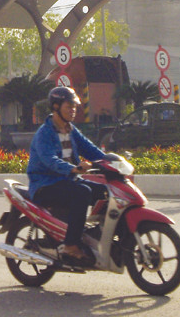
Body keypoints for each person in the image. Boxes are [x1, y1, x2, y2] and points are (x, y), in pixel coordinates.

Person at [27, 86, 107, 265]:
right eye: (69, 106)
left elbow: (90, 148)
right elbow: (50, 160)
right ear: (56, 107)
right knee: (82, 192)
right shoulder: (44, 133)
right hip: (45, 185)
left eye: (74, 107)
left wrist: (110, 161)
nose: (73, 110)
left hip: (67, 181)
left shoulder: (71, 129)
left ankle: (95, 235)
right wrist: (73, 169)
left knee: (105, 191)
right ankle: (71, 245)